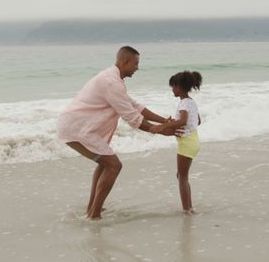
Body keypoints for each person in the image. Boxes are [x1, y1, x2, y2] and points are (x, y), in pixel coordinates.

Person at [56, 46, 174, 219]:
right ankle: (94, 214)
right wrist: (158, 130)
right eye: (135, 63)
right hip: (77, 129)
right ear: (124, 61)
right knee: (114, 165)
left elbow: (135, 106)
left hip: (77, 127)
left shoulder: (114, 79)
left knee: (106, 164)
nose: (137, 68)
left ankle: (92, 208)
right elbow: (132, 117)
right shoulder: (111, 83)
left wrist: (163, 121)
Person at [150, 71, 202, 214]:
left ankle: (187, 209)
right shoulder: (192, 102)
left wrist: (164, 126)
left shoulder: (183, 103)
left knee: (182, 177)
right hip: (193, 140)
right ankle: (189, 207)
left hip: (186, 143)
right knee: (181, 176)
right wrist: (178, 124)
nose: (172, 90)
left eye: (173, 87)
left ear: (179, 87)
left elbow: (184, 120)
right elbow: (197, 121)